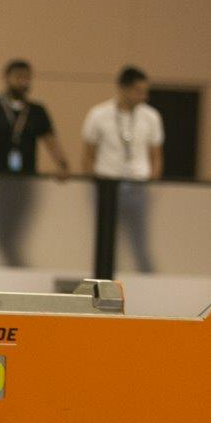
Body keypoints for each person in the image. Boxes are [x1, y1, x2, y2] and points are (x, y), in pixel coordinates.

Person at [0, 59, 72, 267]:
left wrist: (63, 165)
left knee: (20, 230)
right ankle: (5, 266)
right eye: (19, 77)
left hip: (25, 181)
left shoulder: (37, 111)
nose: (23, 82)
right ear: (7, 78)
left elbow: (50, 140)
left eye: (27, 77)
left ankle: (15, 266)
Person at [81, 66, 164, 273]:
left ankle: (144, 279)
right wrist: (93, 181)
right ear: (123, 89)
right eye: (138, 90)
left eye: (145, 91)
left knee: (140, 240)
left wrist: (153, 179)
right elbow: (88, 154)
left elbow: (156, 154)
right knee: (105, 239)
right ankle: (101, 278)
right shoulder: (98, 114)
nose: (143, 96)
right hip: (107, 185)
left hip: (138, 186)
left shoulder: (151, 116)